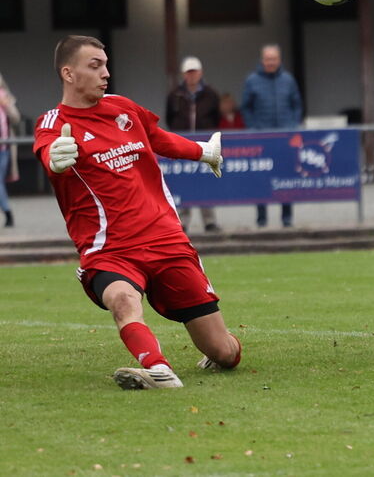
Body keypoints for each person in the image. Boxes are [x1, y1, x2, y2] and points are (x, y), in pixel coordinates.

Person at [32, 35, 240, 388]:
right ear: (68, 73)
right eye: (95, 66)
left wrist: (203, 151)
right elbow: (48, 152)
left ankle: (217, 348)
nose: (106, 73)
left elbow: (158, 138)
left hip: (166, 239)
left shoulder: (123, 108)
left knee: (224, 353)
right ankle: (159, 370)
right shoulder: (53, 123)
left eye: (106, 65)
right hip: (110, 249)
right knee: (122, 300)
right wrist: (55, 158)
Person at [241, 44, 303, 228]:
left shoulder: (288, 80)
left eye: (274, 59)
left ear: (279, 60)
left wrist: (293, 125)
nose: (271, 62)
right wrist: (254, 127)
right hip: (261, 139)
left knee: (286, 177)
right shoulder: (252, 80)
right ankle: (261, 218)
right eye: (268, 59)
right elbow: (246, 107)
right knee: (261, 179)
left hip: (285, 139)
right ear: (262, 60)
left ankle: (287, 217)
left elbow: (297, 105)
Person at [166, 56, 222, 233]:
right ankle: (183, 220)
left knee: (205, 180)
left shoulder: (211, 94)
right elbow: (169, 117)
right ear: (184, 74)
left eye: (194, 72)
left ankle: (209, 220)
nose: (192, 75)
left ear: (200, 73)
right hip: (182, 144)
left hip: (205, 143)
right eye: (189, 72)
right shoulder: (175, 94)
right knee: (184, 181)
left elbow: (216, 117)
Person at [0, 72, 19, 227]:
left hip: (3, 148)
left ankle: (8, 213)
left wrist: (7, 106)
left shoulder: (4, 96)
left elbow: (15, 118)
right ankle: (8, 213)